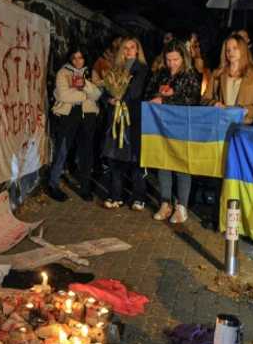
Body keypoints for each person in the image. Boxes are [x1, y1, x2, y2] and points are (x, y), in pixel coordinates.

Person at [146, 41, 202, 224]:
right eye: (168, 60)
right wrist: (157, 94)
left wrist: (168, 99)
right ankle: (165, 203)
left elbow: (192, 100)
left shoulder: (190, 75)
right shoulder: (160, 74)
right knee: (163, 164)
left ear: (183, 58)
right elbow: (148, 93)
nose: (172, 64)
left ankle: (181, 207)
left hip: (182, 127)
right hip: (161, 127)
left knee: (181, 166)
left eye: (176, 59)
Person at [97, 37, 149, 210]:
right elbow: (105, 90)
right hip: (116, 119)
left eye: (132, 47)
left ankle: (139, 197)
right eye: (125, 48)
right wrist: (109, 100)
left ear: (137, 50)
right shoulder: (115, 69)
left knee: (135, 160)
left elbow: (136, 91)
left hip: (132, 119)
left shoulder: (142, 69)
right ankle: (115, 195)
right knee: (115, 158)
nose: (128, 51)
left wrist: (122, 98)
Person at [47, 47, 101, 202]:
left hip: (88, 116)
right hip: (68, 116)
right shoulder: (63, 73)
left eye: (81, 57)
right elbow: (63, 95)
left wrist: (85, 85)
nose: (78, 61)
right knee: (62, 150)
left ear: (85, 59)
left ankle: (85, 187)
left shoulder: (91, 73)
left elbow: (98, 94)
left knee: (86, 153)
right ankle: (53, 184)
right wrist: (86, 95)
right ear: (70, 59)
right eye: (75, 58)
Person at [208, 33, 253, 124]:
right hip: (222, 124)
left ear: (243, 49)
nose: (230, 52)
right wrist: (214, 103)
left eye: (235, 48)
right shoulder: (218, 73)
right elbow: (205, 99)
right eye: (227, 50)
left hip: (246, 127)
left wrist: (246, 110)